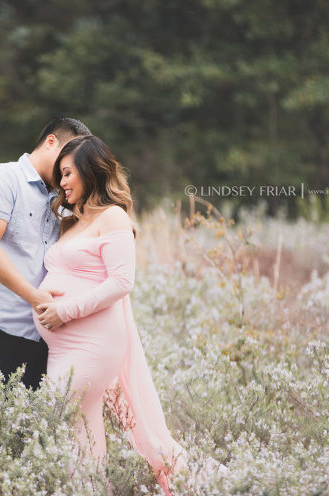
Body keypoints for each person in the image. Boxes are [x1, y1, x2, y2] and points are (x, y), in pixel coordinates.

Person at [33, 135, 228, 495]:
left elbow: (122, 282)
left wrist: (64, 310)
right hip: (64, 346)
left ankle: (205, 483)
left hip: (92, 343)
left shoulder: (113, 217)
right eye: (60, 175)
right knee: (83, 434)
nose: (61, 183)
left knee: (56, 411)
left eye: (67, 173)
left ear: (91, 172)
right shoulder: (73, 221)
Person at [0, 117, 91, 390]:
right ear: (50, 142)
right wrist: (35, 297)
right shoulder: (2, 178)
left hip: (44, 333)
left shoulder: (64, 199)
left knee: (40, 425)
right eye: (67, 157)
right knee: (8, 423)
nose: (70, 169)